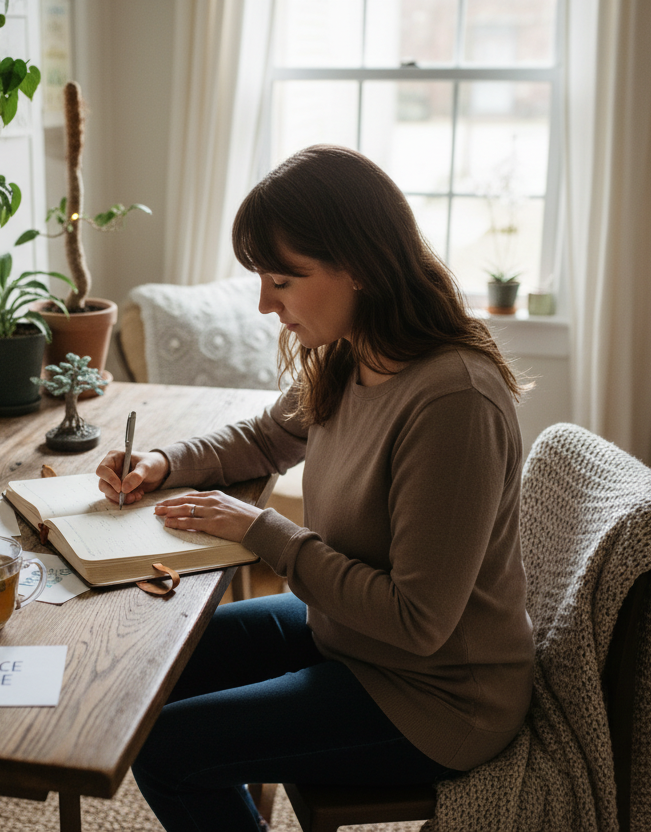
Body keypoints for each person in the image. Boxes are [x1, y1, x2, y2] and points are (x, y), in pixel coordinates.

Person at [94, 145, 535, 832]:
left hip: (435, 698)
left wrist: (261, 529)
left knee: (167, 748)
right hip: (348, 638)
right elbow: (266, 438)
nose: (265, 303)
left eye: (282, 280)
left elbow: (418, 623)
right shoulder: (356, 352)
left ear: (358, 266)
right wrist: (160, 461)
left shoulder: (454, 401)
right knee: (149, 656)